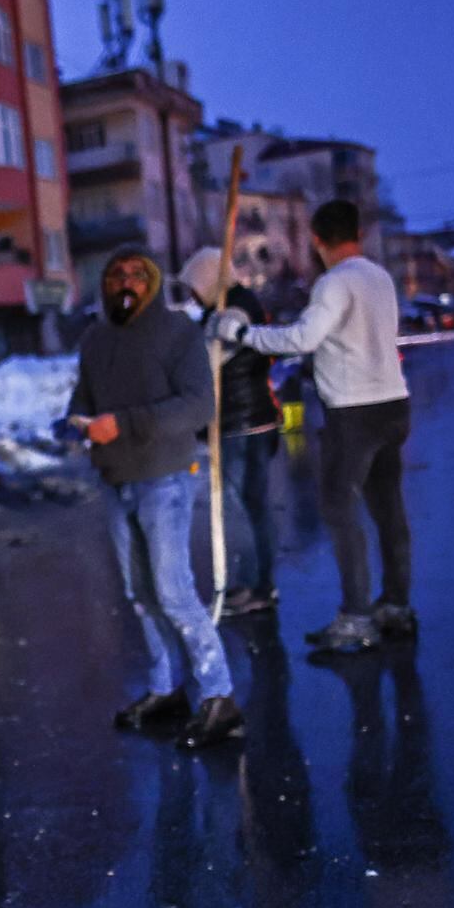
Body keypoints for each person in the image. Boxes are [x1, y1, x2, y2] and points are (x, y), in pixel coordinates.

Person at [209, 200, 414, 654]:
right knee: (388, 509)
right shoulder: (378, 277)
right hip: (393, 403)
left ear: (318, 241)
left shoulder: (334, 283)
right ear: (357, 233)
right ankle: (396, 605)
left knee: (340, 510)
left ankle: (357, 616)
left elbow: (301, 339)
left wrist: (241, 335)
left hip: (353, 411)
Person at [71, 247, 244, 749]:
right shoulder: (95, 339)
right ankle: (166, 687)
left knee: (172, 591)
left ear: (152, 282)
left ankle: (219, 695)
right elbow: (84, 397)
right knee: (139, 594)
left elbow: (198, 406)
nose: (125, 283)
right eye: (114, 275)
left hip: (164, 476)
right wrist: (80, 421)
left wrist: (124, 424)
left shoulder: (177, 334)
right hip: (115, 478)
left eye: (136, 275)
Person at [178, 246, 281, 616]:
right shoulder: (218, 310)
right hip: (238, 422)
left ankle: (261, 585)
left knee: (250, 507)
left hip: (245, 423)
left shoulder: (237, 308)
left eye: (194, 286)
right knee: (244, 507)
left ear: (208, 279)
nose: (191, 295)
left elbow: (210, 362)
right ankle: (253, 581)